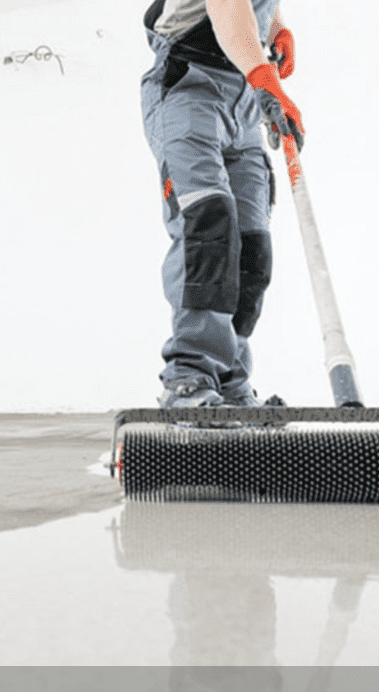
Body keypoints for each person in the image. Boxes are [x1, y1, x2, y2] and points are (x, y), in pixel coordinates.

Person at [140, 0, 305, 408]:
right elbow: (229, 11)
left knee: (252, 247)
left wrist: (276, 29)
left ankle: (228, 379)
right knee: (208, 227)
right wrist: (267, 80)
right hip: (189, 87)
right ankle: (190, 377)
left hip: (243, 103)